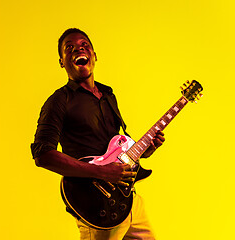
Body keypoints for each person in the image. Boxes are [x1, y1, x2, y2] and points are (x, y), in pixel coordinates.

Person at [31, 28, 165, 240]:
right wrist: (101, 173)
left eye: (84, 45)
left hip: (129, 201)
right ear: (62, 62)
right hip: (96, 207)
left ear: (94, 55)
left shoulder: (108, 95)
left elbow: (113, 150)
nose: (78, 49)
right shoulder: (59, 101)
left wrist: (144, 151)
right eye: (70, 48)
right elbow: (43, 155)